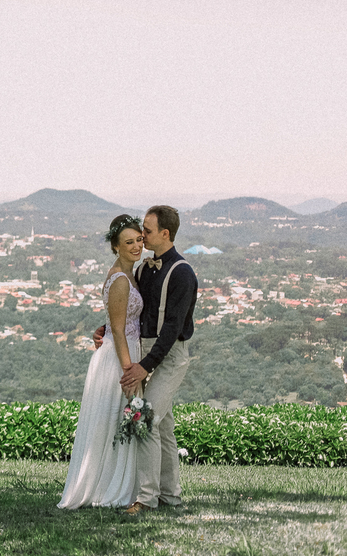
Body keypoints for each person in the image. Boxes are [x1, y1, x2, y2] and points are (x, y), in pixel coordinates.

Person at [111, 205, 198, 516]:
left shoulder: (183, 273)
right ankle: (170, 497)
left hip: (169, 357)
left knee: (145, 419)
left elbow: (173, 328)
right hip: (145, 351)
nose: (141, 235)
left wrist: (144, 366)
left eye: (146, 231)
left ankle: (146, 499)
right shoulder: (145, 269)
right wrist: (105, 329)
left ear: (165, 233)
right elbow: (133, 310)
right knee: (163, 428)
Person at [57, 214, 146, 509]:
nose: (136, 246)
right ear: (115, 247)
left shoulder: (131, 273)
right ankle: (106, 488)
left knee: (115, 421)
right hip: (119, 356)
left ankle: (112, 483)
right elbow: (118, 329)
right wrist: (129, 369)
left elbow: (113, 322)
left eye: (139, 240)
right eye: (128, 242)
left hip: (121, 349)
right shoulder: (120, 279)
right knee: (112, 420)